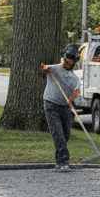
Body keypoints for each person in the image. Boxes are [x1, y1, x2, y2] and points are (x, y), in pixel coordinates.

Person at [39, 44, 81, 173]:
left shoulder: (75, 78)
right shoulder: (54, 69)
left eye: (71, 60)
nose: (68, 61)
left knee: (66, 134)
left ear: (74, 62)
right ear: (64, 58)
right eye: (66, 58)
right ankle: (62, 162)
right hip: (51, 104)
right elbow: (44, 69)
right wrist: (45, 69)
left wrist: (70, 100)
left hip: (65, 107)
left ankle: (60, 159)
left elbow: (76, 91)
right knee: (58, 134)